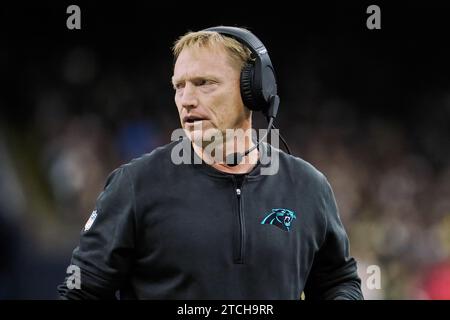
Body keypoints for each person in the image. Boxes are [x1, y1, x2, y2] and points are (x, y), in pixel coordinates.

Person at [58, 26, 363, 300]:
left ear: (253, 91)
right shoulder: (135, 185)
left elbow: (339, 281)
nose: (186, 99)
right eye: (179, 86)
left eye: (204, 83)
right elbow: (81, 293)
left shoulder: (308, 187)